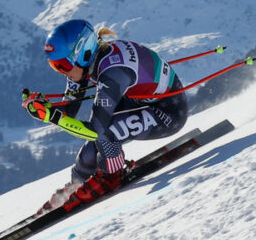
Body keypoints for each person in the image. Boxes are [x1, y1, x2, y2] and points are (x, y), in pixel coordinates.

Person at [22, 19, 189, 212]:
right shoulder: (84, 64)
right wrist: (45, 108)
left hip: (168, 112)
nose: (61, 72)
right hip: (141, 101)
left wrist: (50, 116)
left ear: (82, 53)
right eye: (55, 66)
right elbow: (69, 110)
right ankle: (77, 185)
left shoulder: (113, 73)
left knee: (107, 133)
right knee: (88, 155)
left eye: (62, 65)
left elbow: (95, 131)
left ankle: (112, 176)